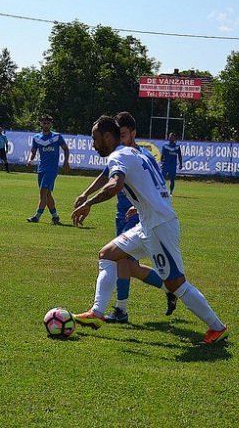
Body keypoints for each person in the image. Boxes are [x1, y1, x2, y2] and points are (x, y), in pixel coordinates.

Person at [71, 115, 228, 344]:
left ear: (107, 136)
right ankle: (96, 313)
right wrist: (141, 206)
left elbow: (115, 184)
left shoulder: (117, 155)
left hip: (158, 227)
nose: (93, 145)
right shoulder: (134, 152)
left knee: (176, 284)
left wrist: (88, 203)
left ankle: (217, 327)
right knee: (108, 254)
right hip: (148, 221)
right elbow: (156, 187)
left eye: (95, 139)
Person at [74, 112, 176, 323]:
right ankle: (168, 288)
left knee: (121, 260)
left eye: (124, 134)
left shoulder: (139, 156)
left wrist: (137, 208)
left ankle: (120, 308)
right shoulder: (119, 155)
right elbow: (105, 175)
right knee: (127, 265)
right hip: (121, 213)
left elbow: (156, 187)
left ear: (133, 134)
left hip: (139, 214)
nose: (120, 138)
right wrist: (85, 193)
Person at [26, 115, 70, 225]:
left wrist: (65, 162)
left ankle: (36, 216)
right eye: (44, 123)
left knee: (42, 193)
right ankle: (55, 217)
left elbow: (66, 149)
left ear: (51, 124)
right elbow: (33, 151)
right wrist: (30, 159)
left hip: (52, 169)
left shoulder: (57, 136)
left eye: (48, 123)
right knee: (47, 194)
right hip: (41, 168)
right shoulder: (36, 137)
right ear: (40, 123)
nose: (46, 125)